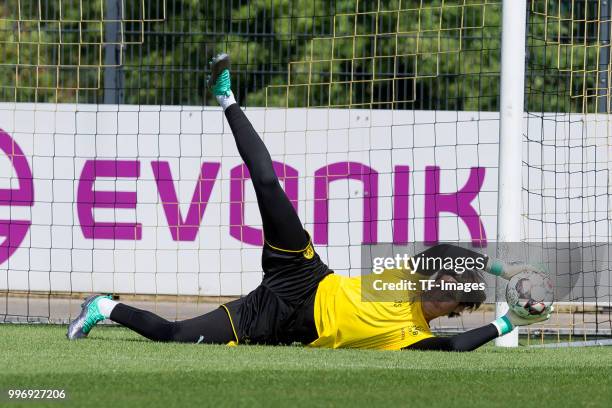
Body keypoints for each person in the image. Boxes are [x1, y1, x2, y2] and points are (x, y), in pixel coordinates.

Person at [67, 54, 552, 351]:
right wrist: (507, 274)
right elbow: (447, 248)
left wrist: (509, 321)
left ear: (452, 308)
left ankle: (103, 307)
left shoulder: (414, 337)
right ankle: (227, 97)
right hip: (304, 273)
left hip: (277, 321)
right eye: (443, 278)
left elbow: (459, 349)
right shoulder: (408, 278)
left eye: (449, 290)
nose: (439, 283)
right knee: (267, 184)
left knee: (175, 337)